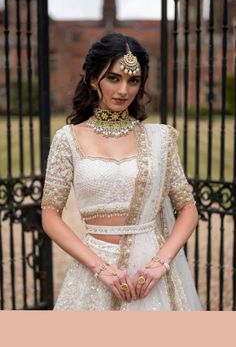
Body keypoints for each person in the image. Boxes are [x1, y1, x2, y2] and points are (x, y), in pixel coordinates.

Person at [41, 33, 202, 311]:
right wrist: (100, 267)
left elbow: (188, 208)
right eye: (114, 78)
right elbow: (50, 216)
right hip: (95, 272)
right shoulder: (67, 139)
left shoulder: (160, 140)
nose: (124, 90)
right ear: (93, 79)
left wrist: (160, 263)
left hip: (150, 277)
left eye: (133, 80)